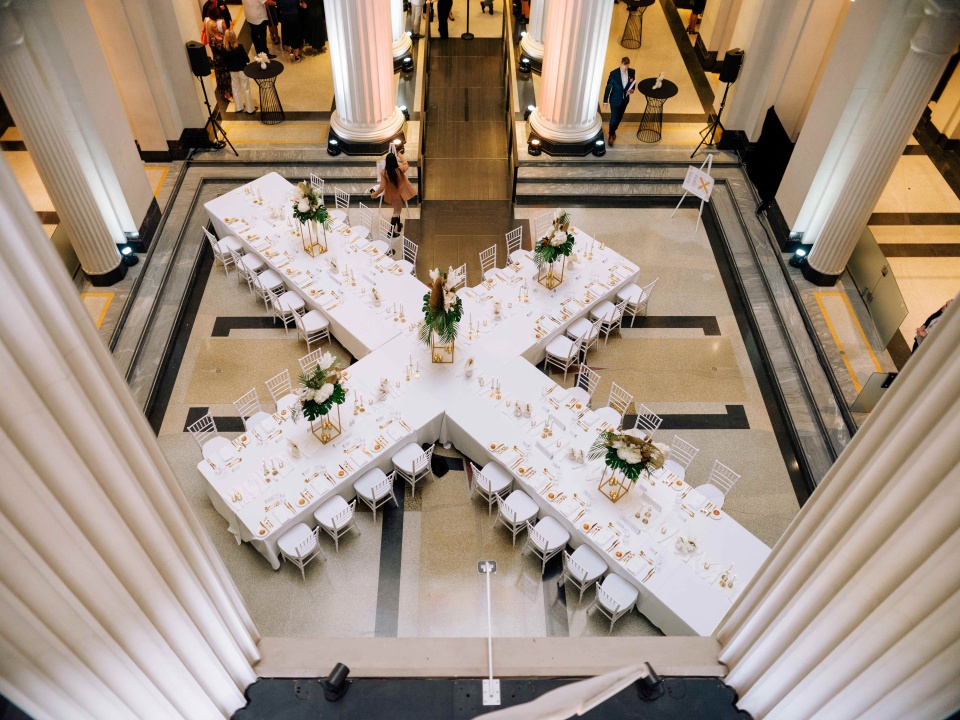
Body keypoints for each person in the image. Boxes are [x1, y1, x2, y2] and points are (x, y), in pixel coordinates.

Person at [371, 151, 416, 237]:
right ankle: (390, 232)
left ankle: (399, 226)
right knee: (397, 212)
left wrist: (374, 194)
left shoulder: (384, 173)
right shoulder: (400, 170)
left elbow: (382, 187)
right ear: (395, 161)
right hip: (399, 196)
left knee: (396, 210)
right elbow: (406, 164)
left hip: (392, 196)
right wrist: (401, 156)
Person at [602, 56, 636, 145]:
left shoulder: (632, 72)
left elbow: (632, 84)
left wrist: (632, 90)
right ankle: (611, 134)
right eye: (624, 67)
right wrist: (605, 101)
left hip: (625, 100)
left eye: (627, 67)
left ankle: (613, 130)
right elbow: (608, 87)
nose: (625, 69)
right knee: (613, 118)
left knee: (620, 117)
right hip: (614, 100)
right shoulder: (613, 74)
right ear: (621, 64)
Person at [223, 29, 256, 114]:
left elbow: (225, 62)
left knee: (235, 88)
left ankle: (239, 107)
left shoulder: (225, 49)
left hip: (232, 71)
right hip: (242, 70)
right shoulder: (239, 47)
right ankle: (250, 109)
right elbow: (247, 59)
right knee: (246, 89)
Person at [204, 7, 232, 101]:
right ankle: (227, 94)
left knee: (228, 76)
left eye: (216, 26)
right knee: (223, 78)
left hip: (225, 59)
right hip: (219, 61)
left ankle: (229, 91)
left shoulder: (219, 34)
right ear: (211, 29)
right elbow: (221, 48)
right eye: (214, 27)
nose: (217, 28)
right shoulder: (212, 39)